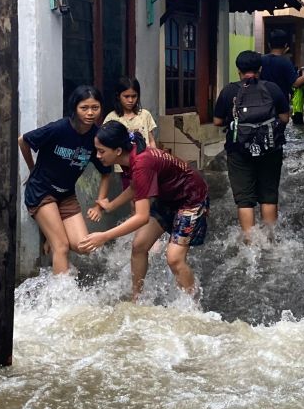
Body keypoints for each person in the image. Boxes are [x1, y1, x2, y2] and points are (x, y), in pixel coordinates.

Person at [79, 121, 209, 301]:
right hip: (168, 198)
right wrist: (111, 205)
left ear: (117, 150)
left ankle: (192, 307)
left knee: (174, 258)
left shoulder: (141, 163)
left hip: (191, 199)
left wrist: (104, 236)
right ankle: (137, 299)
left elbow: (141, 217)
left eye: (101, 151)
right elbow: (135, 186)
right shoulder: (130, 156)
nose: (98, 155)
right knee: (139, 245)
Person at [18, 86, 111, 275]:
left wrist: (100, 203)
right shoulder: (59, 128)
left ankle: (51, 236)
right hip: (42, 191)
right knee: (61, 246)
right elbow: (23, 140)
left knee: (84, 246)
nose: (90, 113)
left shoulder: (96, 137)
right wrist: (32, 168)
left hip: (66, 195)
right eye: (84, 108)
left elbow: (106, 172)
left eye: (95, 107)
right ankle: (61, 301)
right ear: (74, 108)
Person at [213, 50, 291, 242]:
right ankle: (271, 241)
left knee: (245, 199)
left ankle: (250, 243)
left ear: (238, 70)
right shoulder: (272, 89)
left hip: (239, 151)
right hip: (270, 149)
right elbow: (284, 117)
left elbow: (217, 121)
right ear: (260, 69)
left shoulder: (229, 91)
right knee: (268, 195)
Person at [263, 28, 304, 124]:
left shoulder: (262, 60)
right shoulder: (285, 62)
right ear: (286, 45)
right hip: (280, 103)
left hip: (264, 101)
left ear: (269, 44)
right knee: (278, 130)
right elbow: (296, 83)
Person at [103, 76, 158, 148]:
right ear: (118, 96)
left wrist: (154, 156)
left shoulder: (145, 115)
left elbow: (151, 141)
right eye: (126, 96)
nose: (130, 100)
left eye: (134, 96)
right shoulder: (111, 118)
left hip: (144, 157)